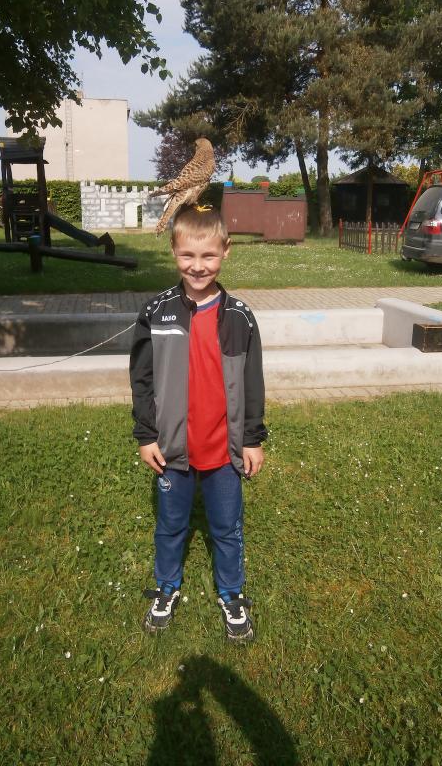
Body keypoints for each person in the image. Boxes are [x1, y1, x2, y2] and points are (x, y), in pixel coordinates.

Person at [129, 205, 267, 642]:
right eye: (188, 255)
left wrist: (252, 439)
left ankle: (231, 593)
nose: (198, 266)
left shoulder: (239, 316)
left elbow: (253, 383)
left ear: (226, 251)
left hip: (224, 450)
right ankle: (166, 586)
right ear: (173, 251)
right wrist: (146, 435)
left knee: (227, 527)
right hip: (172, 450)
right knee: (171, 525)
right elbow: (142, 380)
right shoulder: (157, 312)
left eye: (208, 255)